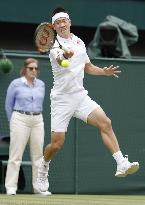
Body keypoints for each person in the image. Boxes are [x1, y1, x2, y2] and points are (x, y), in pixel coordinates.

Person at [37, 7, 139, 193]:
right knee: (57, 144)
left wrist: (104, 72)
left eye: (64, 21)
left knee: (105, 123)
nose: (61, 25)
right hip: (61, 100)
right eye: (57, 23)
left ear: (69, 22)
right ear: (54, 26)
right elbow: (60, 59)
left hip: (80, 96)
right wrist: (65, 56)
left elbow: (88, 67)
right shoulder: (53, 47)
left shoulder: (79, 42)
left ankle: (121, 163)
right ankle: (43, 166)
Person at [5, 58, 51, 196]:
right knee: (15, 155)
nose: (34, 71)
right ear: (25, 69)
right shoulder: (15, 84)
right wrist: (12, 122)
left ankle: (38, 188)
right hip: (19, 118)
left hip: (37, 119)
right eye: (31, 68)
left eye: (36, 68)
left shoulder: (41, 84)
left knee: (38, 157)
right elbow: (8, 105)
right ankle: (11, 188)